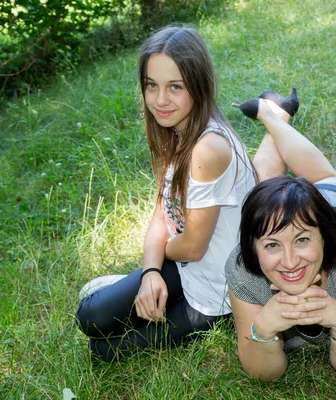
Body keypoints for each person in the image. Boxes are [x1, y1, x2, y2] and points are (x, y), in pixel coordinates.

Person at [75, 26, 255, 361]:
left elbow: (193, 247)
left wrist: (154, 262)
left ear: (198, 86)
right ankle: (140, 284)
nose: (160, 100)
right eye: (151, 85)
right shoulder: (176, 130)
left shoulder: (208, 148)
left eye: (175, 87)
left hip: (216, 292)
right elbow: (162, 211)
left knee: (103, 350)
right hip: (184, 267)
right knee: (90, 317)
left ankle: (141, 288)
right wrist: (150, 273)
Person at [226, 99, 336, 381]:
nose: (290, 261)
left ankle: (271, 116)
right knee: (265, 185)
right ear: (254, 248)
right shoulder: (241, 270)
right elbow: (262, 374)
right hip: (283, 216)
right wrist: (262, 330)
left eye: (302, 241)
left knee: (322, 176)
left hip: (329, 202)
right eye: (271, 245)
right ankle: (276, 113)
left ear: (323, 238)